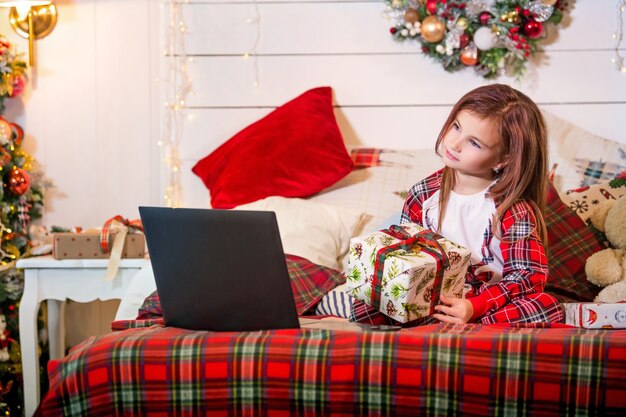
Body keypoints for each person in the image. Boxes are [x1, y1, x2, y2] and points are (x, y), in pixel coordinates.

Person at [352, 84, 563, 325]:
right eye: (456, 127)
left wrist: (475, 306)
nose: (454, 143)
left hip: (488, 306)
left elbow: (529, 275)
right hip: (432, 302)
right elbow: (408, 258)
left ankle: (474, 330)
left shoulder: (512, 210)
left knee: (546, 306)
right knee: (367, 303)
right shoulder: (423, 195)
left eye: (474, 143)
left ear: (504, 159)